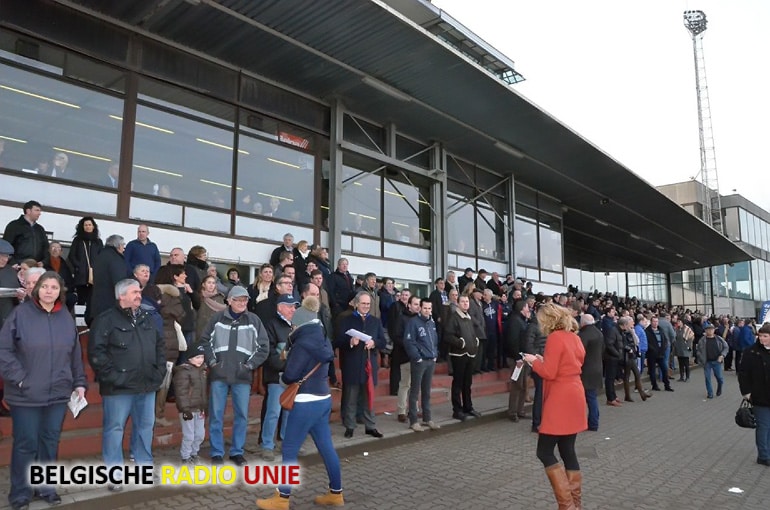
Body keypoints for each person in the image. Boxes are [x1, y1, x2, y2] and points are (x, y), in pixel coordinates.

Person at [0, 271, 87, 509]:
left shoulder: (66, 318)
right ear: (37, 288)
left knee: (49, 442)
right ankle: (20, 494)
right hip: (26, 394)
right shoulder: (20, 314)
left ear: (61, 292)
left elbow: (75, 354)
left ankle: (45, 487)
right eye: (45, 286)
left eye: (54, 287)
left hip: (58, 393)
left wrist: (79, 382)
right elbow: (4, 350)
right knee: (26, 444)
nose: (49, 291)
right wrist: (19, 378)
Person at [256, 296, 343, 509]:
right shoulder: (323, 339)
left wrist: (284, 371)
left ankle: (282, 498)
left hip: (305, 401)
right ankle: (336, 493)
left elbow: (290, 376)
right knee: (326, 448)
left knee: (289, 448)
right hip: (323, 399)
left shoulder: (302, 343)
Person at [88, 279, 165, 492]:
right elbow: (97, 353)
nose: (139, 295)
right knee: (114, 429)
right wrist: (114, 377)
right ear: (121, 295)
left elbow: (160, 347)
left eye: (139, 291)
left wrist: (159, 373)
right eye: (134, 292)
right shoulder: (105, 320)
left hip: (147, 386)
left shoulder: (147, 319)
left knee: (144, 428)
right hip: (118, 388)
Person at [523, 303, 586, 510]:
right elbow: (568, 364)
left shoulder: (555, 338)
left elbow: (549, 372)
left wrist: (533, 361)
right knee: (568, 450)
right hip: (575, 392)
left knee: (544, 451)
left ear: (549, 319)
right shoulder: (574, 337)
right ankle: (575, 504)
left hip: (560, 396)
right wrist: (543, 360)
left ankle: (566, 505)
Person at [201, 285, 269, 465]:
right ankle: (216, 452)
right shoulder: (217, 319)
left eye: (245, 300)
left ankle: (237, 452)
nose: (242, 303)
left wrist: (250, 365)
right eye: (238, 300)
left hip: (242, 376)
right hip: (219, 375)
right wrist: (213, 363)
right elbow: (204, 341)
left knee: (242, 416)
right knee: (216, 415)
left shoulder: (254, 320)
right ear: (229, 301)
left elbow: (264, 347)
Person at [336, 291, 386, 438]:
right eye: (363, 303)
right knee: (351, 398)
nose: (366, 306)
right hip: (352, 364)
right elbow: (337, 341)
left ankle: (370, 426)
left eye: (368, 304)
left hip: (369, 365)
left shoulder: (376, 321)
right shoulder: (346, 320)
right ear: (356, 304)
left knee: (369, 397)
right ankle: (350, 426)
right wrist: (350, 342)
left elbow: (383, 342)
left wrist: (374, 342)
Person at [260, 294, 298, 461]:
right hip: (277, 377)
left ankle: (286, 443)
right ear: (280, 307)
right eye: (290, 306)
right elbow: (269, 353)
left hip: (293, 377)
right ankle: (267, 445)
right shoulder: (271, 325)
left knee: (289, 412)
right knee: (273, 412)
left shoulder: (296, 325)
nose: (293, 309)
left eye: (294, 306)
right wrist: (287, 365)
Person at [403, 298, 441, 432]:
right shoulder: (413, 322)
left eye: (429, 308)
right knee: (414, 391)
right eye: (425, 308)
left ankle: (427, 418)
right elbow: (409, 342)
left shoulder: (431, 322)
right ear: (420, 308)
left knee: (427, 391)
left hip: (431, 360)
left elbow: (435, 339)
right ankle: (413, 421)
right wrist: (417, 357)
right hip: (419, 362)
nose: (427, 311)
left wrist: (435, 354)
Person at [443, 294, 480, 421]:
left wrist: (475, 341)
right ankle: (457, 410)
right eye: (463, 301)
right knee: (458, 383)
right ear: (458, 303)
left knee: (467, 383)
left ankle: (468, 407)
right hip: (459, 355)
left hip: (470, 354)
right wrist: (461, 343)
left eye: (467, 301)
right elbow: (447, 336)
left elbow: (472, 333)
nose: (465, 303)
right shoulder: (454, 318)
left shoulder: (468, 318)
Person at [738, 323, 770, 466]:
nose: (762, 339)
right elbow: (743, 373)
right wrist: (746, 392)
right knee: (763, 426)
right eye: (760, 336)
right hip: (759, 395)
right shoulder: (751, 352)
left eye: (765, 336)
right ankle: (763, 455)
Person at [172, 342, 208, 465]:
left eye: (202, 357)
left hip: (199, 409)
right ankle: (186, 456)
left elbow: (203, 392)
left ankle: (194, 453)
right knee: (189, 435)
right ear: (189, 358)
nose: (200, 360)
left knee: (200, 435)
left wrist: (204, 407)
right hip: (187, 410)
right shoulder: (183, 372)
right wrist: (185, 409)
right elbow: (181, 392)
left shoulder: (202, 371)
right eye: (197, 357)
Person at [86, 234, 128, 324]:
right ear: (118, 245)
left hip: (96, 305)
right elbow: (120, 283)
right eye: (123, 245)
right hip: (111, 306)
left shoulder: (100, 256)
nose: (124, 248)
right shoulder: (116, 259)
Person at [67, 216, 103, 306]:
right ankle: (80, 320)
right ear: (82, 227)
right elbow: (71, 255)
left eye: (89, 224)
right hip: (81, 276)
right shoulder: (78, 240)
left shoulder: (98, 242)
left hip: (95, 276)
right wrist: (78, 266)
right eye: (86, 225)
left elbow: (102, 257)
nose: (88, 226)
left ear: (93, 226)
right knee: (81, 300)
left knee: (93, 301)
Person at [578, 314, 604, 431]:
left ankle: (588, 422)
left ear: (582, 323)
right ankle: (594, 421)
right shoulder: (599, 333)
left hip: (585, 370)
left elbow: (579, 352)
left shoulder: (583, 335)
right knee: (592, 397)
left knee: (585, 397)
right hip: (597, 368)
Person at [3, 200, 48, 265]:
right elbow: (6, 246)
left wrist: (44, 262)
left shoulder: (40, 229)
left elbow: (46, 248)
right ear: (28, 211)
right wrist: (13, 263)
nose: (39, 213)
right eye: (37, 210)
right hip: (17, 266)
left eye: (40, 211)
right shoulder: (14, 225)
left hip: (35, 266)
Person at [695, 323, 728, 399]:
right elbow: (698, 350)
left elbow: (726, 347)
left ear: (714, 330)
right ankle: (710, 393)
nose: (710, 331)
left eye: (711, 329)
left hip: (717, 361)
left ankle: (719, 387)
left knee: (719, 378)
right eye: (708, 329)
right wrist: (701, 358)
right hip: (707, 362)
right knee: (707, 378)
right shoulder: (702, 340)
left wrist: (722, 355)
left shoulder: (719, 339)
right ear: (705, 331)